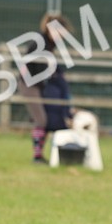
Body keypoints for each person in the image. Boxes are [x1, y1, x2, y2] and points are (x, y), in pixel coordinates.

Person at [24, 13, 74, 163]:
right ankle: (37, 156)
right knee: (41, 121)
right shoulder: (41, 43)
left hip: (39, 85)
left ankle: (41, 155)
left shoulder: (49, 43)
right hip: (30, 85)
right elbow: (39, 68)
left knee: (46, 120)